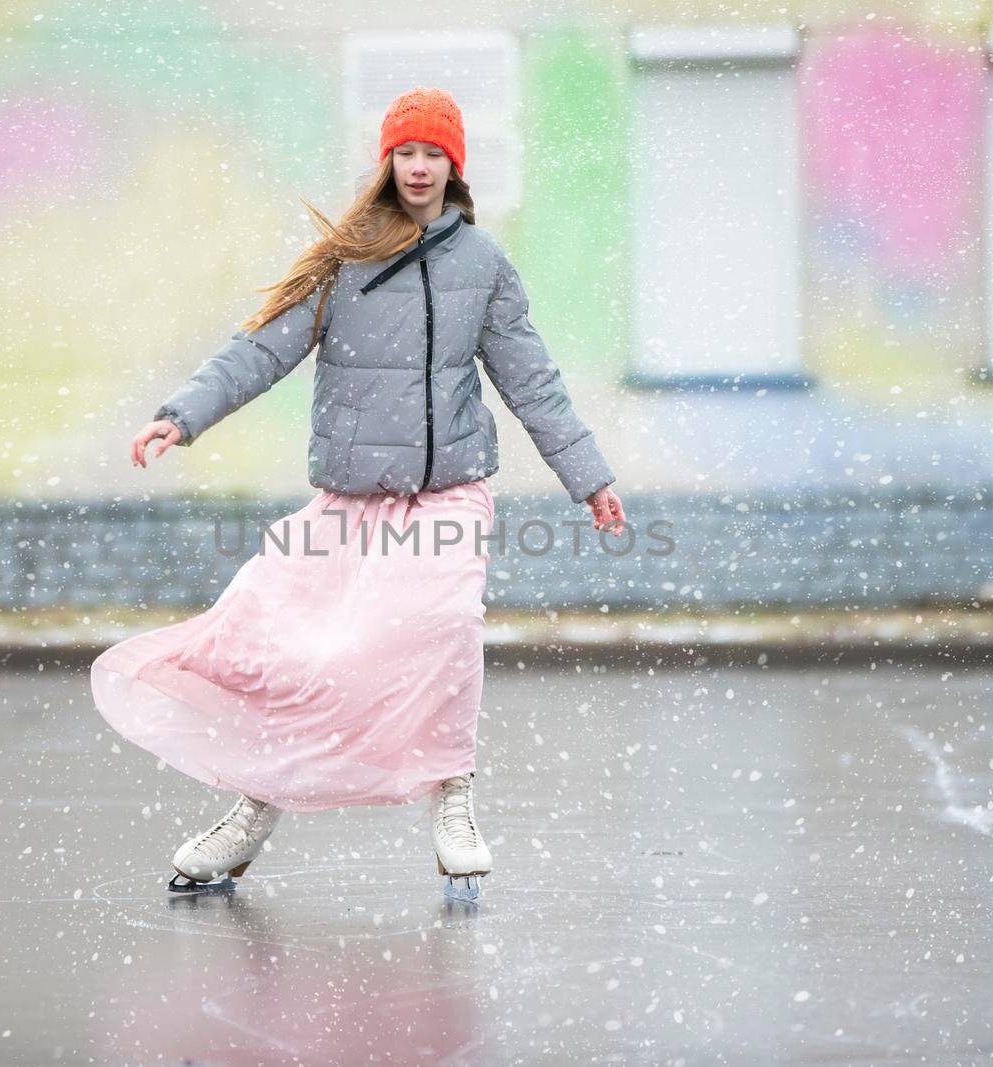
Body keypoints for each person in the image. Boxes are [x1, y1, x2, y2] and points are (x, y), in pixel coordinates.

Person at [90, 86, 626, 902]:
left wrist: (589, 479)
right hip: (352, 501)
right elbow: (260, 349)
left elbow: (533, 383)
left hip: (449, 494)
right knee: (296, 648)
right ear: (387, 162)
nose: (418, 167)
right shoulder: (346, 260)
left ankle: (454, 796)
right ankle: (253, 809)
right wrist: (181, 416)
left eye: (433, 153)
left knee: (443, 629)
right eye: (405, 153)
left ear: (455, 165)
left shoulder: (483, 266)